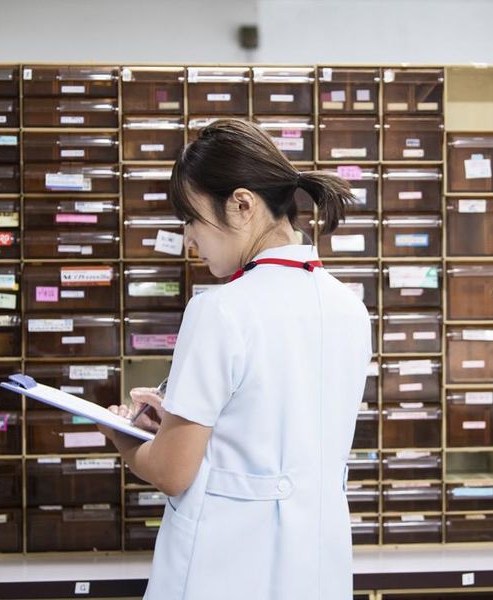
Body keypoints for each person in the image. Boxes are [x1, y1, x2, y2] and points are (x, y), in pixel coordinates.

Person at [98, 118, 373, 599]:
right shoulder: (349, 307)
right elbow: (275, 429)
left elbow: (171, 472)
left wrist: (122, 435)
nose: (188, 238)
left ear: (242, 205)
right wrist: (181, 421)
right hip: (315, 569)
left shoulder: (219, 310)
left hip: (225, 570)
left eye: (191, 218)